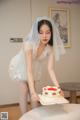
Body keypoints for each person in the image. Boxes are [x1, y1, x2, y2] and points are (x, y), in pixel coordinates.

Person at [9, 16, 65, 115]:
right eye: (41, 32)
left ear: (51, 33)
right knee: (25, 89)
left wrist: (58, 88)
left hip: (34, 68)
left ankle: (35, 116)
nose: (44, 36)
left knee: (33, 93)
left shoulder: (49, 48)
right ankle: (24, 116)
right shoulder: (29, 45)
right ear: (36, 33)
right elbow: (28, 70)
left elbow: (51, 69)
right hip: (22, 66)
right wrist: (33, 92)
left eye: (48, 32)